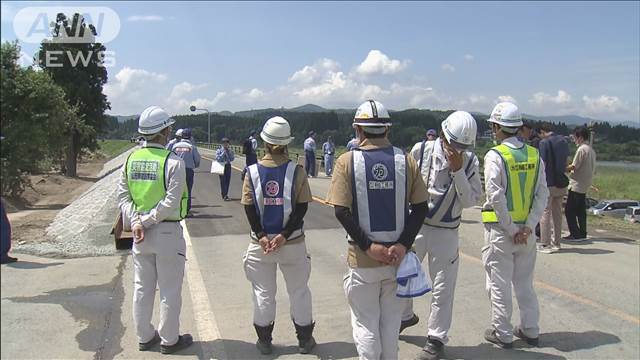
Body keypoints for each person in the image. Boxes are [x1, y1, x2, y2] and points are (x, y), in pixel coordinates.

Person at [326, 100, 429, 360]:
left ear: (358, 130)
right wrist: (403, 244)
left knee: (365, 325)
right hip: (398, 260)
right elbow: (420, 207)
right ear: (387, 130)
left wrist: (369, 246)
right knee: (390, 327)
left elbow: (341, 211)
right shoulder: (406, 160)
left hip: (362, 262)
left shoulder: (346, 161)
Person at [404, 111, 483, 359]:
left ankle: (436, 337)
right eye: (453, 144)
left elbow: (471, 199)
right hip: (417, 225)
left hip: (447, 231)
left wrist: (458, 171)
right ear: (442, 134)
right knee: (404, 276)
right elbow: (404, 181)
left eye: (463, 146)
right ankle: (405, 316)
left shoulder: (470, 162)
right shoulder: (420, 150)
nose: (457, 150)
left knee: (443, 287)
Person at [116, 105, 192, 354]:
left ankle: (145, 336)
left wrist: (137, 221)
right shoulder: (173, 162)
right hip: (167, 232)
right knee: (169, 290)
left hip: (140, 235)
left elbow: (123, 197)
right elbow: (171, 201)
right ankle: (169, 340)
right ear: (164, 132)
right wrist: (147, 220)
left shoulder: (130, 159)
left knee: (142, 288)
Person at [241, 116, 315, 355]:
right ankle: (304, 340)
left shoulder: (251, 172)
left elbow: (249, 207)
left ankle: (264, 340)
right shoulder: (297, 171)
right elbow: (302, 207)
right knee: (299, 291)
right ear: (286, 143)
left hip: (260, 245)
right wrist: (283, 235)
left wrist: (262, 235)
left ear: (264, 141)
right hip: (292, 242)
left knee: (263, 293)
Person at [481, 102, 549, 349]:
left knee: (498, 284)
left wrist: (511, 229)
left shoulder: (495, 155)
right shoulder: (534, 154)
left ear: (498, 127)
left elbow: (495, 195)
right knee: (524, 283)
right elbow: (543, 194)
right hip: (527, 235)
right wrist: (528, 227)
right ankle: (531, 329)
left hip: (502, 232)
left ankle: (503, 332)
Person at [537, 123, 570, 254]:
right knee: (557, 213)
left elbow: (543, 164)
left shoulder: (544, 143)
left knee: (545, 212)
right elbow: (567, 161)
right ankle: (557, 242)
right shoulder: (563, 141)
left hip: (548, 182)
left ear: (542, 131)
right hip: (561, 182)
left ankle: (545, 243)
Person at [564, 126, 596, 242]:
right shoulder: (591, 150)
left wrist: (561, 168)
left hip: (577, 184)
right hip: (585, 184)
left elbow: (574, 166)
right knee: (581, 211)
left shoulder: (581, 149)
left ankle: (575, 233)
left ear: (580, 137)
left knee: (569, 210)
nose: (574, 139)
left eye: (575, 137)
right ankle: (582, 232)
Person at [171, 128, 201, 213]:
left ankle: (176, 208)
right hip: (188, 171)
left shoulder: (175, 146)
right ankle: (186, 210)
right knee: (187, 191)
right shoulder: (191, 147)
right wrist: (194, 166)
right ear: (190, 137)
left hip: (176, 170)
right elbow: (197, 160)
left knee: (176, 189)